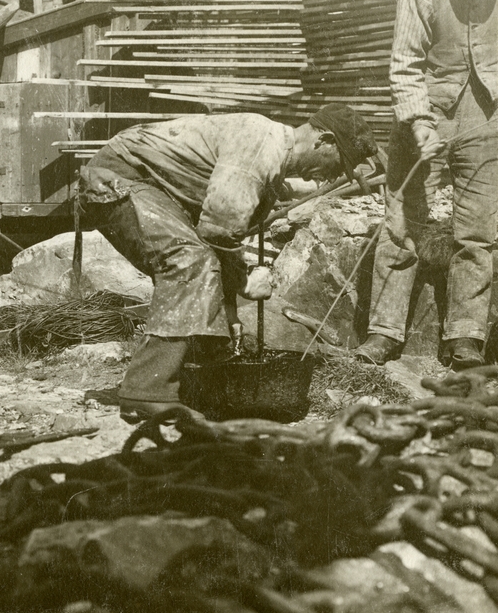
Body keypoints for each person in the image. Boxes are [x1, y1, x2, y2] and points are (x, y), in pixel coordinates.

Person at [77, 106, 377, 423]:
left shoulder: (272, 158)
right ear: (324, 141)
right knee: (188, 261)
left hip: (151, 188)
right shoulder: (262, 147)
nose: (335, 175)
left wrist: (231, 307)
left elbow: (218, 237)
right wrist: (245, 282)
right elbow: (218, 230)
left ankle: (183, 381)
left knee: (197, 259)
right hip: (118, 179)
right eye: (340, 163)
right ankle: (146, 391)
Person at [355, 0, 497, 370]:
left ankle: (466, 336)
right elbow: (405, 62)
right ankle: (384, 332)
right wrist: (418, 121)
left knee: (477, 233)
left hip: (486, 115)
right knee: (401, 226)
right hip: (427, 113)